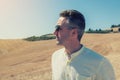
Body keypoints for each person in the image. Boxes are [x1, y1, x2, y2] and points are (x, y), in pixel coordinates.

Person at [52, 9, 115, 80]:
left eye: (58, 28)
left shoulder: (100, 63)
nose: (54, 32)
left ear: (74, 33)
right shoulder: (55, 57)